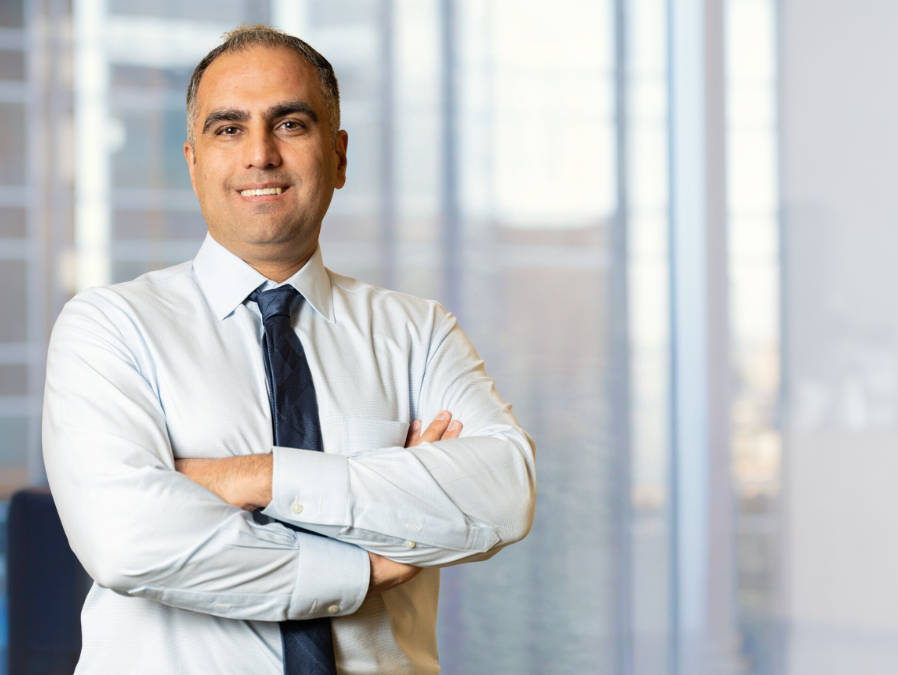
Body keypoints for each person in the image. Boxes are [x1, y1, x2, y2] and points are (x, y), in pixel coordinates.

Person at [42, 24, 536, 675]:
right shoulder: (108, 327)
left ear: (339, 156)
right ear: (194, 162)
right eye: (228, 129)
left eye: (291, 124)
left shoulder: (419, 332)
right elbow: (128, 540)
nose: (260, 154)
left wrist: (250, 477)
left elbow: (503, 491)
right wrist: (363, 564)